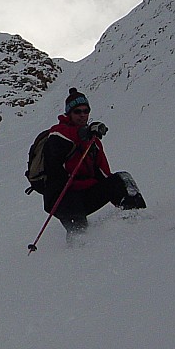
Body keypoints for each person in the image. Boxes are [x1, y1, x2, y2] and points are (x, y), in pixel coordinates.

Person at [43, 88, 146, 245]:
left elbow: (105, 175)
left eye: (86, 111)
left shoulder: (94, 142)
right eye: (77, 111)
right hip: (61, 197)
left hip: (85, 195)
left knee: (121, 179)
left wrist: (115, 191)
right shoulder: (57, 133)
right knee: (79, 229)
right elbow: (64, 140)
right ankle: (75, 254)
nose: (83, 115)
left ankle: (138, 220)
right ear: (68, 114)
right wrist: (85, 132)